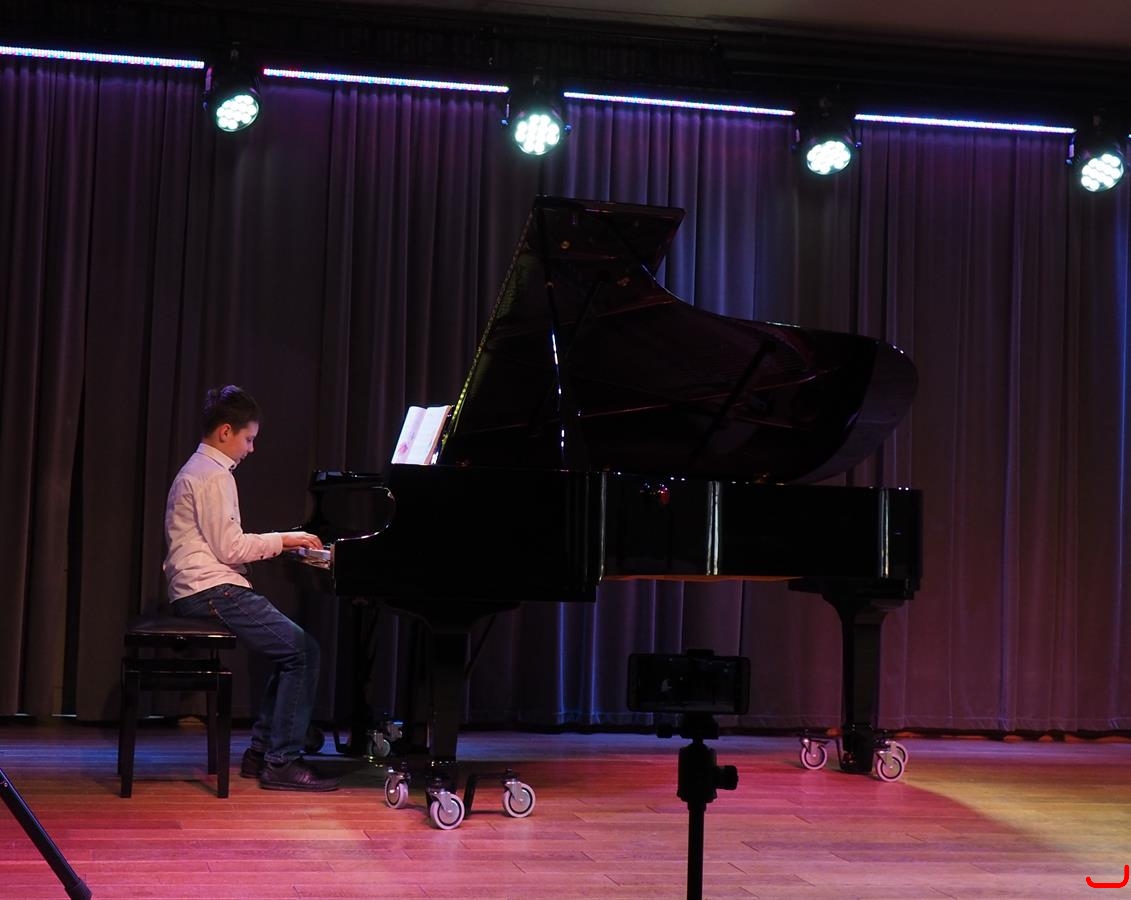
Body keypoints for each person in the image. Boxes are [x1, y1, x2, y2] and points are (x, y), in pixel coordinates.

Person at [163, 385, 339, 792]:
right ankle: (282, 761)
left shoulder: (201, 469)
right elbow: (231, 549)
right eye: (249, 438)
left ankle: (261, 753)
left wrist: (283, 542)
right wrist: (286, 540)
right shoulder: (213, 475)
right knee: (304, 652)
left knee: (290, 652)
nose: (251, 449)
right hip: (209, 590)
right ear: (226, 431)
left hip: (202, 587)